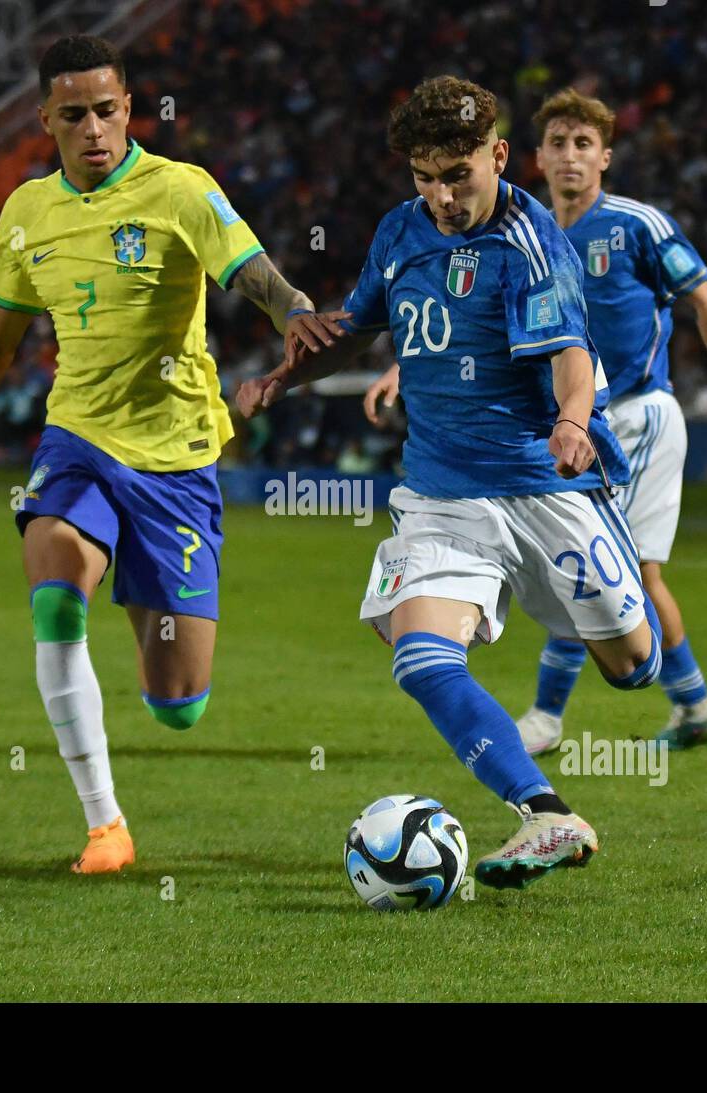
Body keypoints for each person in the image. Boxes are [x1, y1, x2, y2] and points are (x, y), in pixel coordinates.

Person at [0, 35, 342, 874]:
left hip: (177, 456)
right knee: (54, 584)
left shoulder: (181, 189)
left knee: (178, 702)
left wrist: (293, 307)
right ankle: (104, 824)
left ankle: (159, 664)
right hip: (76, 437)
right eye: (72, 114)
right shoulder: (24, 213)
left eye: (106, 110)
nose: (93, 128)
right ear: (44, 118)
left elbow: (250, 268)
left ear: (128, 108)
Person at [239, 77, 662, 890]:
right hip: (441, 492)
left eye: (457, 175)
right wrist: (277, 382)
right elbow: (352, 326)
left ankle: (596, 628)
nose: (440, 195)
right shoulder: (401, 231)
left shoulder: (532, 241)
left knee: (631, 666)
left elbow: (572, 354)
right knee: (420, 658)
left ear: (499, 156)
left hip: (548, 489)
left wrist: (573, 423)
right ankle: (546, 812)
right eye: (424, 176)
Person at [366, 88, 707, 753]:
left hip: (635, 414)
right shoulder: (525, 227)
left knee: (604, 566)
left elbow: (703, 298)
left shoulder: (637, 224)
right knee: (586, 568)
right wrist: (409, 368)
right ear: (534, 157)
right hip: (562, 425)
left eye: (584, 144)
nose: (571, 157)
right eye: (559, 144)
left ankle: (551, 715)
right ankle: (689, 702)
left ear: (605, 156)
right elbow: (470, 331)